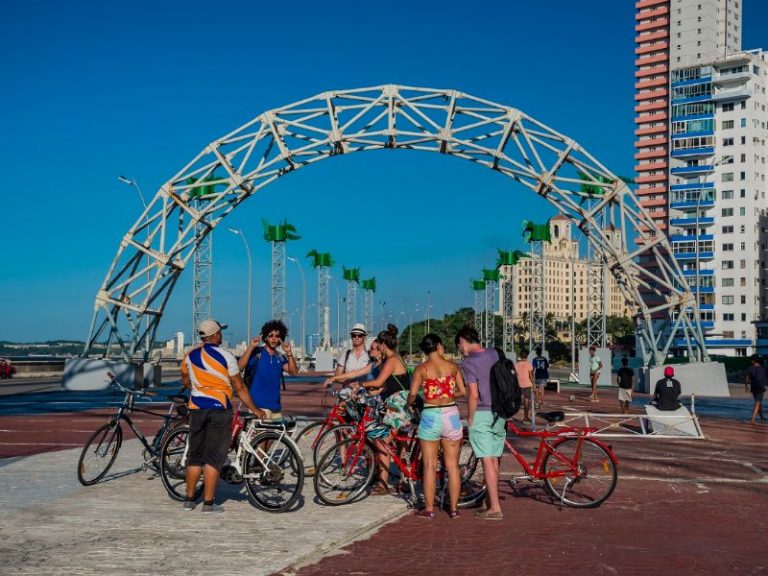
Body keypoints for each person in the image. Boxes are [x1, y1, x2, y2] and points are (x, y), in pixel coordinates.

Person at [181, 319, 265, 513]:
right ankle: (209, 504)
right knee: (213, 457)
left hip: (196, 408)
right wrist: (255, 410)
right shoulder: (226, 356)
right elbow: (239, 387)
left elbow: (186, 380)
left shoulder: (189, 356)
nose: (222, 335)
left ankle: (189, 499)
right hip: (219, 408)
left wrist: (199, 389)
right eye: (221, 333)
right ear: (216, 335)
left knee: (194, 456)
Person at [407, 334, 467, 519]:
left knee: (430, 465)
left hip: (431, 414)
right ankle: (454, 509)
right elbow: (463, 391)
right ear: (439, 345)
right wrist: (447, 394)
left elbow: (412, 394)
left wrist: (411, 403)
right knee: (452, 466)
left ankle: (429, 509)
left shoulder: (421, 369)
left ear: (424, 350)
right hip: (451, 414)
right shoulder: (452, 366)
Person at [456, 325, 504, 521]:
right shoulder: (494, 353)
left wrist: (470, 416)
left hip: (483, 412)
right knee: (494, 459)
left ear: (463, 341)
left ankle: (495, 508)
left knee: (486, 459)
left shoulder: (468, 362)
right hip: (500, 412)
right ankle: (489, 501)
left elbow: (473, 394)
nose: (459, 348)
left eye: (459, 344)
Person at [358, 324, 410, 495]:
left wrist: (361, 384)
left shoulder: (392, 360)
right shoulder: (397, 358)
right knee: (396, 443)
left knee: (381, 441)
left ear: (382, 345)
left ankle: (383, 482)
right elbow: (387, 384)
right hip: (397, 406)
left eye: (378, 344)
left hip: (397, 408)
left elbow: (379, 381)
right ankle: (398, 479)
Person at [237, 319, 299, 420]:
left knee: (279, 435)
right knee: (264, 435)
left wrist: (289, 353)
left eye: (277, 336)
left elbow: (294, 372)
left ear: (281, 339)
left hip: (276, 409)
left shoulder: (280, 357)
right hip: (259, 407)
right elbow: (239, 367)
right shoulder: (257, 353)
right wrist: (251, 346)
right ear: (265, 337)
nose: (274, 338)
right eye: (270, 335)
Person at [745, 354, 766, 424]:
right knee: (758, 402)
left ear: (753, 361)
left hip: (754, 387)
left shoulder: (750, 368)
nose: (751, 361)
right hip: (760, 387)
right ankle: (755, 419)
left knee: (758, 402)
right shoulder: (763, 368)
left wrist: (746, 386)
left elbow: (747, 378)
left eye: (751, 360)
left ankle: (759, 418)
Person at [515, 350, 535, 422]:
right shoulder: (529, 364)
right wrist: (534, 384)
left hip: (519, 385)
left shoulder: (517, 365)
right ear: (527, 356)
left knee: (518, 401)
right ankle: (525, 417)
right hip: (527, 384)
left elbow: (516, 375)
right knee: (527, 402)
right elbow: (531, 376)